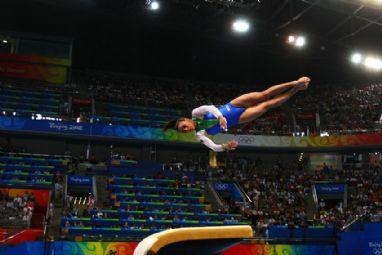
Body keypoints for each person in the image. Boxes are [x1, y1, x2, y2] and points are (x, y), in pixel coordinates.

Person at [164, 77, 311, 152]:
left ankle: (295, 82)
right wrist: (226, 146)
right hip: (239, 118)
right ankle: (296, 90)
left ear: (185, 120)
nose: (185, 129)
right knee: (267, 105)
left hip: (233, 105)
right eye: (183, 131)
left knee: (264, 95)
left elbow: (209, 107)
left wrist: (220, 117)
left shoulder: (195, 114)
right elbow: (214, 147)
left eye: (183, 126)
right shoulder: (200, 135)